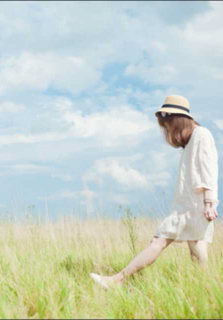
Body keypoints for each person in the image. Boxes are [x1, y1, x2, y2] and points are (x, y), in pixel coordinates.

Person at [90, 95, 219, 290]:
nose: (167, 128)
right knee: (196, 250)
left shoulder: (201, 134)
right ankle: (207, 290)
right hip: (187, 205)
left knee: (159, 241)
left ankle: (117, 280)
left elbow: (209, 169)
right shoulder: (190, 141)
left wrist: (209, 202)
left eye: (168, 123)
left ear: (178, 119)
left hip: (195, 206)